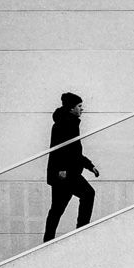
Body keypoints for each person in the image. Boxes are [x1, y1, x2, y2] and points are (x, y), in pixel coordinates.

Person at [43, 91, 100, 243]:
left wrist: (90, 166)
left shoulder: (70, 122)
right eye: (79, 106)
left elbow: (74, 152)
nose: (82, 109)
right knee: (87, 194)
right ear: (71, 108)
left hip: (66, 173)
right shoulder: (64, 124)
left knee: (57, 209)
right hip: (65, 174)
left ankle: (48, 239)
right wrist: (61, 169)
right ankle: (81, 231)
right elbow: (59, 148)